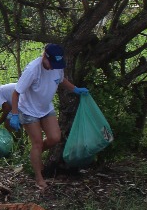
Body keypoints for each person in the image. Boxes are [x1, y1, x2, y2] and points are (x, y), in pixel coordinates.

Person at [8, 44, 89, 190]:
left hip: (45, 108)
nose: (53, 67)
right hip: (28, 110)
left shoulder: (58, 66)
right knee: (37, 142)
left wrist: (75, 89)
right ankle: (39, 178)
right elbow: (16, 93)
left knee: (55, 138)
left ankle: (34, 156)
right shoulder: (33, 70)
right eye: (50, 63)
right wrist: (14, 114)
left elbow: (61, 80)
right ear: (44, 56)